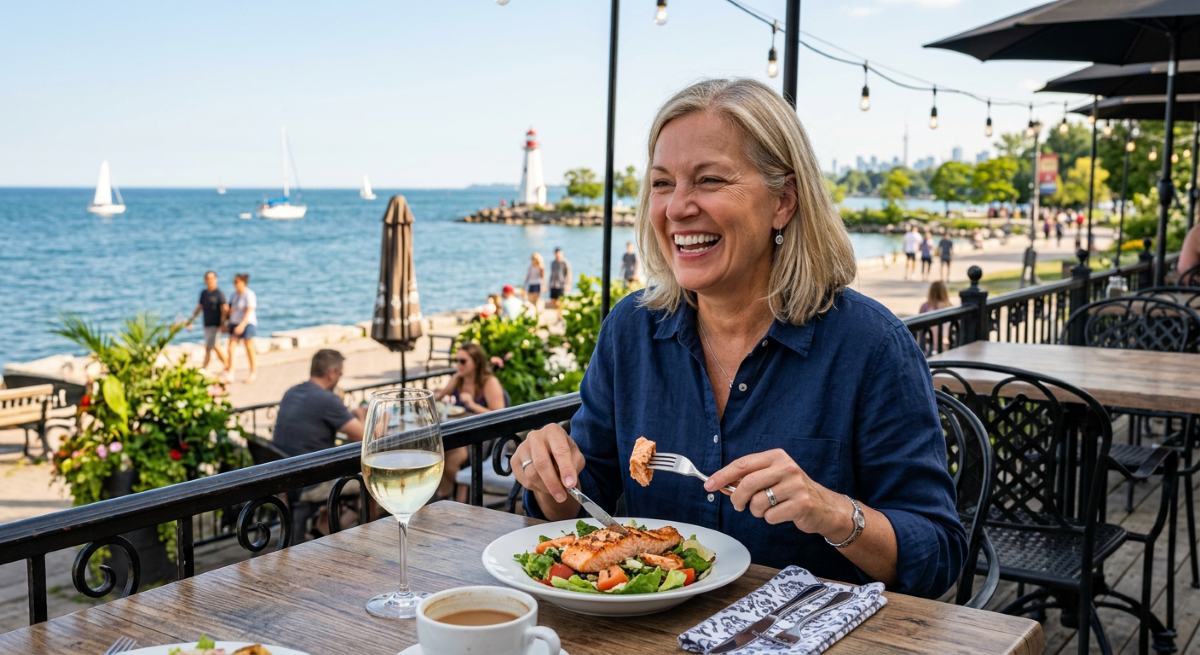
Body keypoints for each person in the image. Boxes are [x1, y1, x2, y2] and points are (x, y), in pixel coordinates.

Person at [510, 78, 965, 599]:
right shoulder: (630, 330)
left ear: (783, 202)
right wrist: (549, 475)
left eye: (709, 180)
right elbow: (583, 502)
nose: (676, 208)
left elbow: (937, 554)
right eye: (662, 183)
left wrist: (834, 512)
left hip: (808, 631)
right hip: (645, 632)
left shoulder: (871, 347)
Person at [433, 342, 506, 497]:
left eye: (463, 361)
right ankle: (450, 491)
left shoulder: (489, 382)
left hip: (483, 435)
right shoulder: (459, 379)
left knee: (448, 454)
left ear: (476, 362)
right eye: (456, 361)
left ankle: (460, 489)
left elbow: (499, 415)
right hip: (461, 430)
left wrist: (472, 405)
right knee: (439, 448)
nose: (458, 365)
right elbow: (438, 397)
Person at [273, 349, 366, 457]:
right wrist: (362, 415)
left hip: (283, 460)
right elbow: (363, 437)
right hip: (313, 464)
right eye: (340, 374)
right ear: (331, 374)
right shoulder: (328, 399)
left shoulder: (291, 392)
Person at [184, 271, 230, 373]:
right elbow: (199, 308)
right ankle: (215, 366)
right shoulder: (204, 293)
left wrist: (224, 324)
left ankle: (214, 366)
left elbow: (225, 309)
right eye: (208, 279)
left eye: (212, 278)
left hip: (216, 324)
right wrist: (191, 320)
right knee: (210, 346)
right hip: (207, 323)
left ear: (216, 279)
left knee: (213, 346)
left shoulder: (219, 294)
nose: (210, 281)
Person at [225, 273, 258, 384]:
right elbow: (231, 310)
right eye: (234, 282)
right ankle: (231, 373)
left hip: (247, 323)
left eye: (237, 282)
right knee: (231, 348)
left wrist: (242, 325)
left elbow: (249, 311)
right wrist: (225, 322)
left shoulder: (249, 294)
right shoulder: (234, 295)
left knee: (249, 348)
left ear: (243, 283)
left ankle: (253, 372)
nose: (235, 284)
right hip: (234, 323)